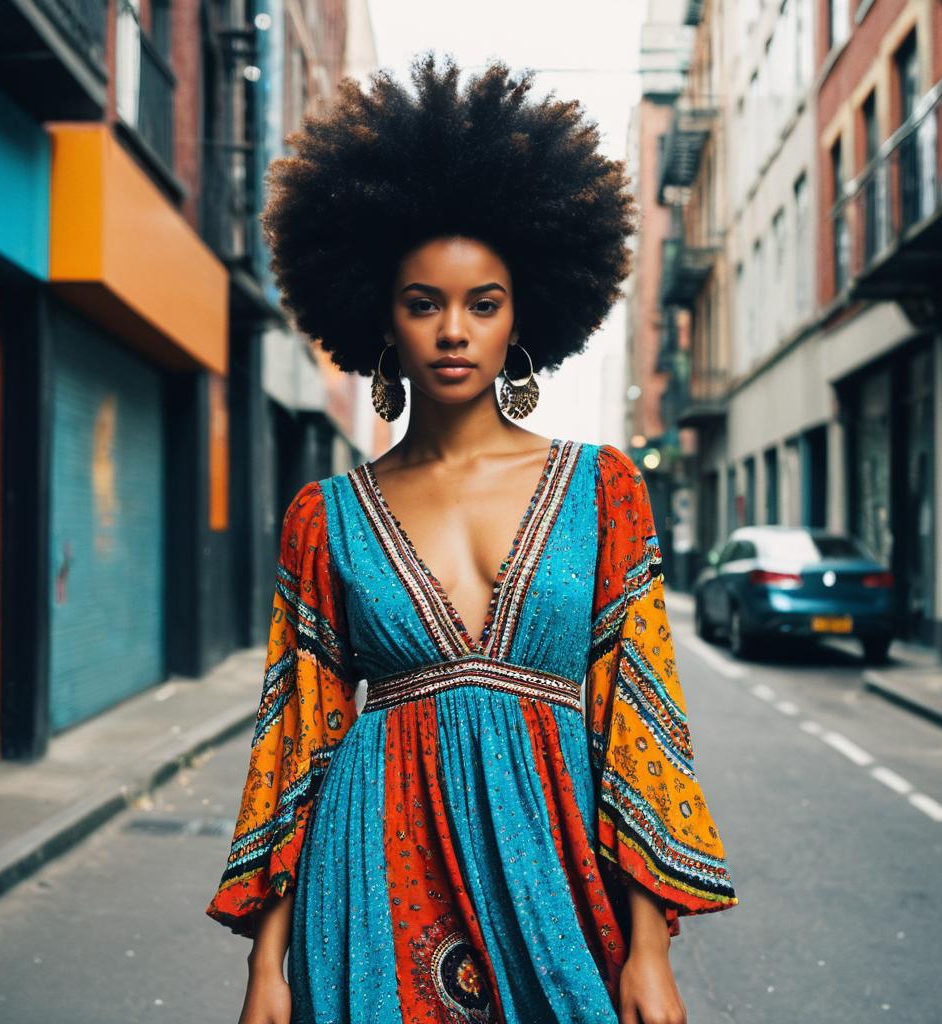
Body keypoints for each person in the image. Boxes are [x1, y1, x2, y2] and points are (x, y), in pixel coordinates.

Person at [205, 52, 739, 1024]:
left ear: (517, 319)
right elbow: (294, 741)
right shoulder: (323, 516)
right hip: (371, 876)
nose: (453, 329)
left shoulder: (602, 487)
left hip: (556, 872)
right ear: (385, 319)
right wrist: (265, 969)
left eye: (481, 304)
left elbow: (641, 726)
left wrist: (649, 948)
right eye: (424, 303)